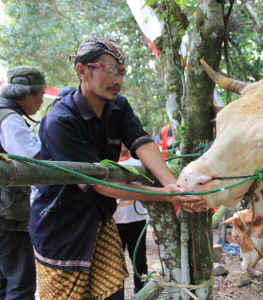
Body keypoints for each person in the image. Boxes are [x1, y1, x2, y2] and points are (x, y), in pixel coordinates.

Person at [29, 38, 206, 300]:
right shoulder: (61, 121)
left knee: (112, 294)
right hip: (61, 227)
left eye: (121, 71)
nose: (117, 79)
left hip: (99, 220)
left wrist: (173, 185)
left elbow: (142, 142)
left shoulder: (118, 106)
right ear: (82, 71)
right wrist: (165, 195)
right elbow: (99, 184)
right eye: (109, 69)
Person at [0, 66, 46, 300]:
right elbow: (36, 161)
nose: (40, 102)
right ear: (26, 95)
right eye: (39, 95)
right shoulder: (10, 120)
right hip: (8, 215)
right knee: (20, 283)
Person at [113, 144, 149, 294]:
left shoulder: (138, 163)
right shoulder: (108, 162)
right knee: (114, 262)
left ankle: (142, 292)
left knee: (139, 260)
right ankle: (116, 293)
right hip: (115, 222)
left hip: (136, 220)